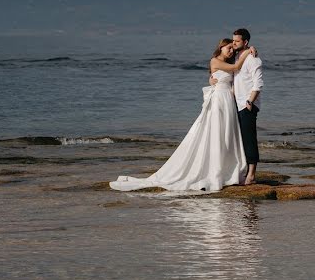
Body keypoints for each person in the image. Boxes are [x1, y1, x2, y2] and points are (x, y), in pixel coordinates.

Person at [109, 39, 253, 192]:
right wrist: (248, 52)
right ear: (221, 47)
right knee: (216, 133)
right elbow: (236, 67)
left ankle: (228, 169)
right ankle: (216, 171)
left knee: (228, 134)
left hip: (228, 101)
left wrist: (248, 49)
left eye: (232, 48)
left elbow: (230, 75)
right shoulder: (215, 61)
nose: (231, 50)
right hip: (218, 100)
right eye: (228, 48)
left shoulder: (228, 61)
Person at [228, 28, 264, 185]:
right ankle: (241, 171)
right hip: (236, 104)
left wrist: (250, 102)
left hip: (248, 104)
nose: (233, 43)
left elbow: (258, 83)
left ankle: (251, 174)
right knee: (239, 139)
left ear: (246, 42)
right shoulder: (235, 56)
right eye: (233, 40)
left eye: (237, 41)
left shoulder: (253, 59)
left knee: (249, 139)